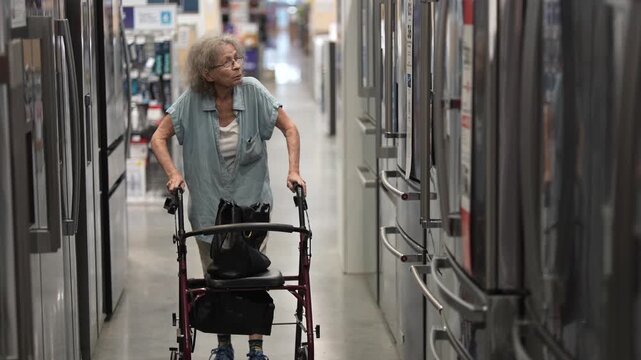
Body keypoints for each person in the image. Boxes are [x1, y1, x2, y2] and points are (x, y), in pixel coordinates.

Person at [150, 33, 306, 360]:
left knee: (251, 278)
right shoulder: (190, 101)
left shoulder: (253, 92)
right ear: (208, 74)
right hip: (209, 211)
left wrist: (293, 169)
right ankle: (223, 346)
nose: (237, 66)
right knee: (217, 279)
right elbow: (158, 138)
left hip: (252, 208)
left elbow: (290, 128)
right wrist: (173, 175)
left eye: (238, 59)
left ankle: (256, 348)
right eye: (228, 62)